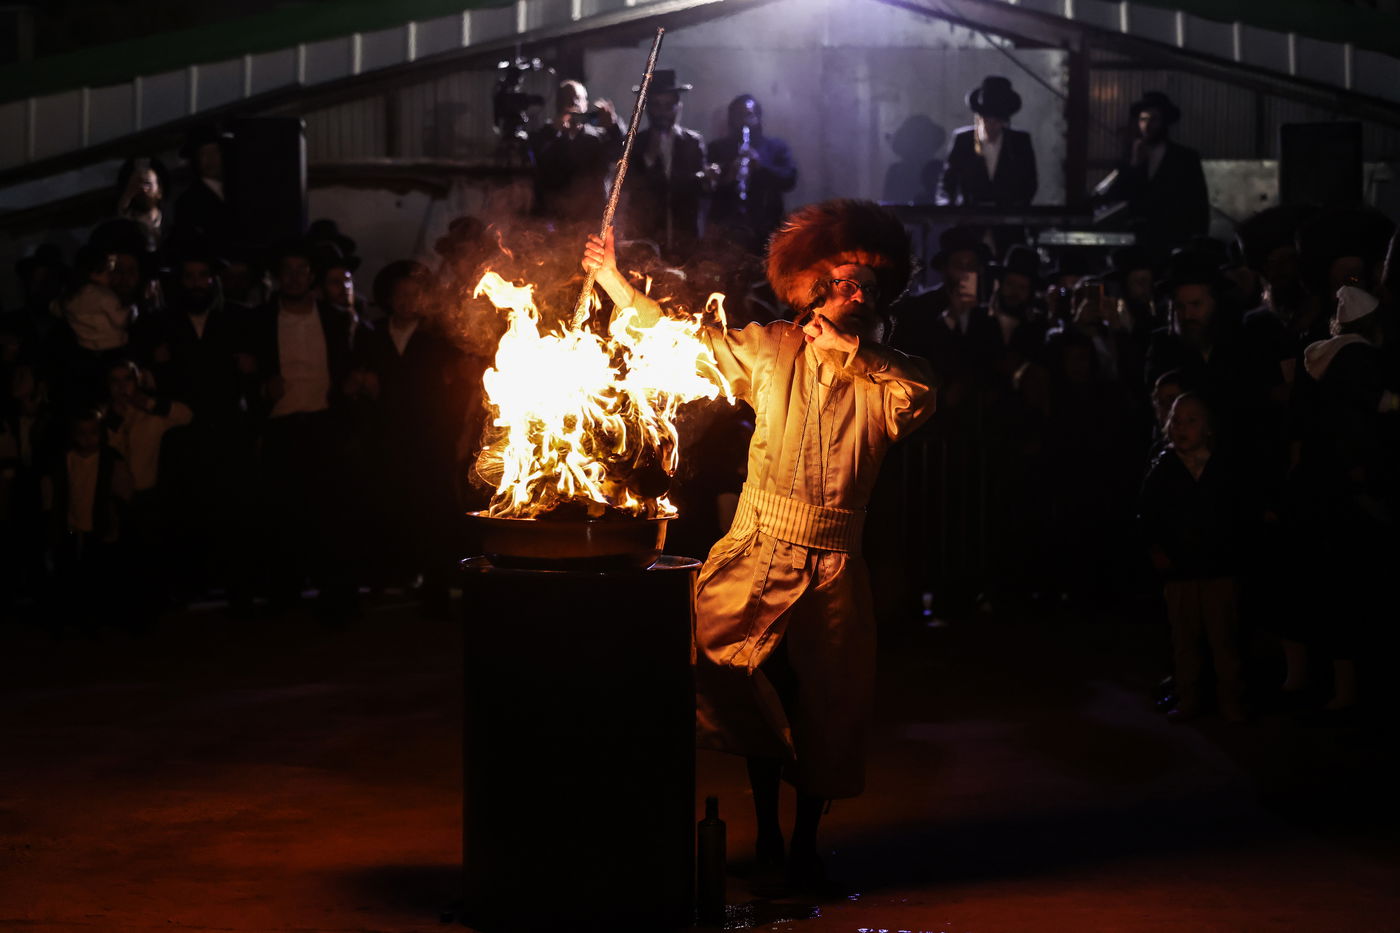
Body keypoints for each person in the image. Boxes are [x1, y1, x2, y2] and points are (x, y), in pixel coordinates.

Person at [584, 198, 936, 891]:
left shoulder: (890, 374)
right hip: (758, 549)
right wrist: (614, 283)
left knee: (826, 711)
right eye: (841, 281)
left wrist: (852, 349)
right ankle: (764, 830)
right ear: (811, 289)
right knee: (722, 670)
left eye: (867, 285)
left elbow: (918, 395)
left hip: (834, 567)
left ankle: (803, 840)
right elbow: (683, 338)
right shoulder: (771, 347)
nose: (855, 293)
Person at [1138, 392, 1249, 723]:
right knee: (1184, 642)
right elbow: (1147, 516)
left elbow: (1237, 514)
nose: (1182, 427)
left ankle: (1232, 701)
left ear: (1209, 428)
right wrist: (1157, 550)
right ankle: (1190, 699)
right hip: (1180, 569)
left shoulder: (1223, 469)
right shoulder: (1163, 469)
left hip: (1218, 567)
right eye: (1177, 420)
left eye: (1192, 420)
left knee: (1224, 640)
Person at [1096, 91, 1209, 261]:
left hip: (1172, 241)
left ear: (1165, 122)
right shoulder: (1129, 157)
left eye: (1154, 119)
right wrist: (1134, 165)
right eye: (1143, 119)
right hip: (1135, 243)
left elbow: (1198, 203)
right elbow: (1116, 197)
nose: (1147, 125)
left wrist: (1196, 243)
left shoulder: (1185, 158)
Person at [623, 70, 710, 261]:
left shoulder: (692, 142)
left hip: (685, 236)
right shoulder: (635, 143)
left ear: (679, 106)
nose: (662, 112)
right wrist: (649, 157)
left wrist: (708, 178)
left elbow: (702, 190)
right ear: (647, 108)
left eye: (669, 105)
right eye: (657, 105)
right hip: (647, 237)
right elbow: (629, 186)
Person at [706, 94, 799, 255]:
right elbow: (705, 189)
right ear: (731, 119)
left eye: (748, 114)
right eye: (737, 115)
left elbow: (789, 180)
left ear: (758, 117)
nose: (743, 121)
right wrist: (728, 175)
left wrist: (761, 166)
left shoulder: (775, 147)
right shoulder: (716, 149)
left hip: (766, 228)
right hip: (726, 230)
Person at [530, 79, 622, 227]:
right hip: (558, 218)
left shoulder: (599, 137)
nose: (574, 104)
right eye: (567, 99)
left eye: (578, 99)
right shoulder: (548, 135)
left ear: (586, 103)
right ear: (559, 104)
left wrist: (613, 126)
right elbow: (536, 158)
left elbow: (621, 154)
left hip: (593, 216)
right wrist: (554, 131)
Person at [936, 76, 1037, 209]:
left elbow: (1029, 183)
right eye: (988, 120)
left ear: (1004, 121)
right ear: (979, 118)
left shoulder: (1019, 142)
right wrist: (949, 211)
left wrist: (1015, 211)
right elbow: (948, 183)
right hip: (968, 221)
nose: (992, 126)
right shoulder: (963, 140)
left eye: (997, 121)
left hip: (1007, 222)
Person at [171, 123, 237, 256]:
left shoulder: (239, 191)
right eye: (203, 153)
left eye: (214, 152)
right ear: (196, 159)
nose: (210, 159)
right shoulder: (188, 201)